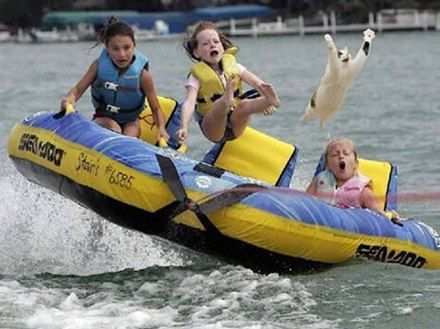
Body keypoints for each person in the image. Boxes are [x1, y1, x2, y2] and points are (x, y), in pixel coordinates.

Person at [60, 17, 169, 140]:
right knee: (114, 128)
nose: (122, 54)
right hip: (103, 118)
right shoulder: (97, 66)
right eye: (115, 49)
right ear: (107, 48)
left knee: (130, 134)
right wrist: (70, 99)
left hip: (131, 121)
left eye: (126, 47)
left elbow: (156, 108)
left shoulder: (143, 76)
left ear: (134, 45)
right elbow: (78, 90)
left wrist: (161, 129)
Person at [176, 21, 281, 144]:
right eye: (205, 43)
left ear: (222, 46)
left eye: (216, 42)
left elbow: (257, 83)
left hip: (236, 124)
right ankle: (226, 99)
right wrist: (184, 126)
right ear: (196, 52)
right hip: (213, 129)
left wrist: (265, 98)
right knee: (218, 107)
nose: (212, 45)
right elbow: (189, 103)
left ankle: (269, 101)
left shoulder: (233, 66)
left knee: (244, 106)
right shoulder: (196, 76)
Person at [306, 138, 400, 222]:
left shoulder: (363, 191)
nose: (341, 157)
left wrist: (390, 216)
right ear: (327, 165)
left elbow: (379, 214)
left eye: (346, 154)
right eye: (335, 154)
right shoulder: (320, 180)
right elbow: (304, 201)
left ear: (356, 164)